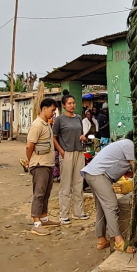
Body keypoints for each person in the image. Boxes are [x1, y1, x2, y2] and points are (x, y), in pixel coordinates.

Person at [80, 134, 134, 253]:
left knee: (102, 208)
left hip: (92, 173)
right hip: (99, 175)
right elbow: (135, 167)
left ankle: (101, 240)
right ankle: (119, 242)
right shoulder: (130, 144)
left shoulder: (122, 144)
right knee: (111, 206)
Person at [25, 98, 60, 235]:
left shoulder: (47, 124)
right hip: (40, 164)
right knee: (39, 193)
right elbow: (29, 146)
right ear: (44, 109)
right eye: (52, 110)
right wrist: (30, 160)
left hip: (48, 163)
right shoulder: (37, 125)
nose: (53, 113)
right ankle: (36, 223)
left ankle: (44, 218)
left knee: (46, 192)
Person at [54, 95, 89, 225]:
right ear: (64, 105)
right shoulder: (59, 120)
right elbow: (53, 137)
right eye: (69, 103)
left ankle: (78, 212)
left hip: (79, 152)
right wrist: (61, 151)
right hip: (66, 153)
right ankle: (64, 214)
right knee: (66, 184)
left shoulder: (78, 118)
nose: (72, 105)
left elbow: (81, 133)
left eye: (73, 103)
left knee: (78, 182)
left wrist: (83, 137)